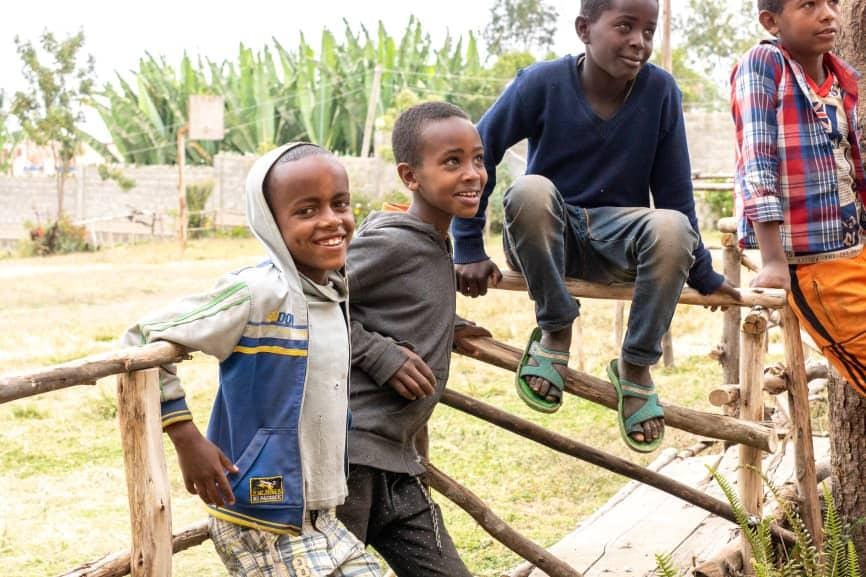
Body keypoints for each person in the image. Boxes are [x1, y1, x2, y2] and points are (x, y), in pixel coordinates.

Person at [451, 0, 739, 453]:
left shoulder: (660, 91)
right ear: (584, 28)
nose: (638, 42)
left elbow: (675, 197)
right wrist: (466, 246)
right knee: (528, 191)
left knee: (673, 226)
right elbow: (475, 157)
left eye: (648, 30)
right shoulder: (541, 82)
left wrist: (704, 276)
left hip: (617, 242)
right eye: (624, 26)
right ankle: (555, 327)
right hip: (546, 234)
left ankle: (636, 364)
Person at [120, 143, 382, 577]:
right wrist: (187, 439)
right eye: (307, 210)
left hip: (320, 513)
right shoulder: (256, 293)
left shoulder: (333, 293)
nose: (332, 220)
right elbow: (141, 336)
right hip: (259, 512)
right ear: (270, 222)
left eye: (340, 203)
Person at [336, 101, 488, 576]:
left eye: (478, 159)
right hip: (349, 460)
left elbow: (395, 303)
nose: (473, 174)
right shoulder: (393, 240)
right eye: (452, 161)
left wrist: (450, 327)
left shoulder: (431, 240)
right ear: (410, 176)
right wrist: (378, 353)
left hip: (399, 466)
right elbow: (306, 302)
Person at [732, 0, 866, 395]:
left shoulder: (841, 79)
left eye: (832, 3)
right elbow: (756, 160)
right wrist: (774, 260)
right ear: (771, 21)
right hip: (812, 263)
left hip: (856, 247)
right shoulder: (763, 64)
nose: (828, 14)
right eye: (809, 4)